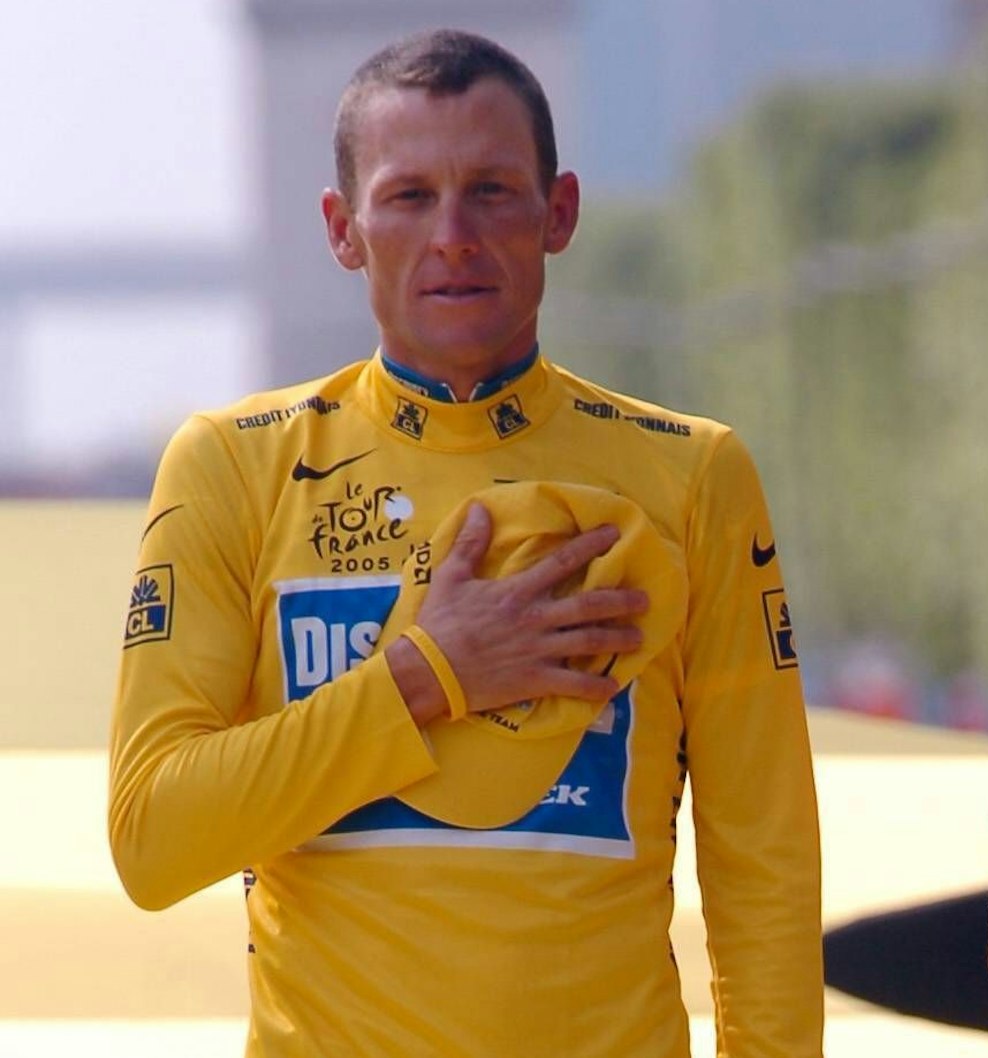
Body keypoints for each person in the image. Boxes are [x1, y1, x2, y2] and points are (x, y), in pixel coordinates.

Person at [108, 29, 822, 1058]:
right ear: (342, 228)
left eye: (490, 190)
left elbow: (765, 863)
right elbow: (153, 839)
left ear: (558, 211)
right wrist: (426, 673)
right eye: (407, 196)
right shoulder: (233, 464)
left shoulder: (692, 472)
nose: (452, 234)